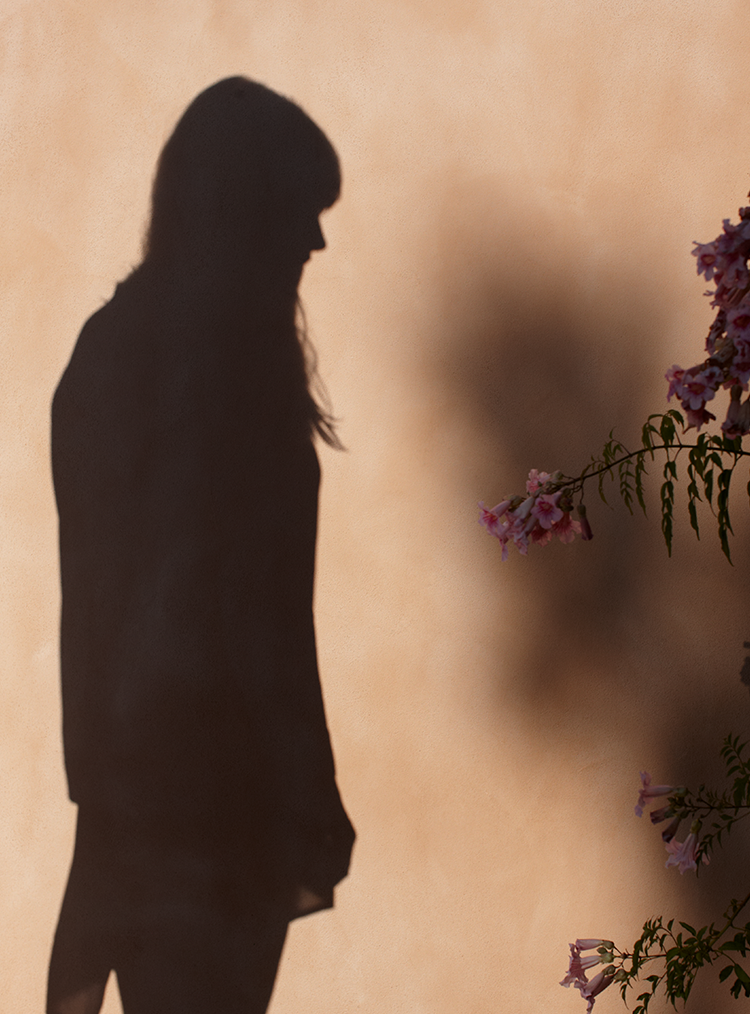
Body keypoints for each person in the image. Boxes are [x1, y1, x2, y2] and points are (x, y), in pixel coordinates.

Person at [47, 77, 355, 1014]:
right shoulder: (194, 379)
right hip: (196, 824)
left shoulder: (131, 358)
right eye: (298, 210)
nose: (316, 239)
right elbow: (208, 617)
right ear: (244, 209)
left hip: (181, 819)